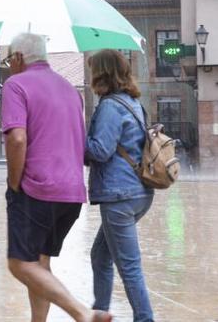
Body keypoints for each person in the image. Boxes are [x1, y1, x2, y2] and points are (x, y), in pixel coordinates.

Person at [0, 33, 110, 322]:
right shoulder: (69, 89)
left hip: (36, 189)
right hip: (71, 194)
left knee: (19, 265)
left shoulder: (16, 84)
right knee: (40, 264)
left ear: (19, 57)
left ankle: (82, 313)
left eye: (9, 58)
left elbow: (17, 139)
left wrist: (14, 182)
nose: (10, 65)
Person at [85, 49, 155, 322]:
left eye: (94, 70)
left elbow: (100, 151)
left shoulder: (110, 105)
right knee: (100, 255)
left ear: (102, 73)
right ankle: (100, 311)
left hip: (119, 195)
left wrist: (74, 141)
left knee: (129, 266)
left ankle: (144, 318)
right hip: (139, 192)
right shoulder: (132, 102)